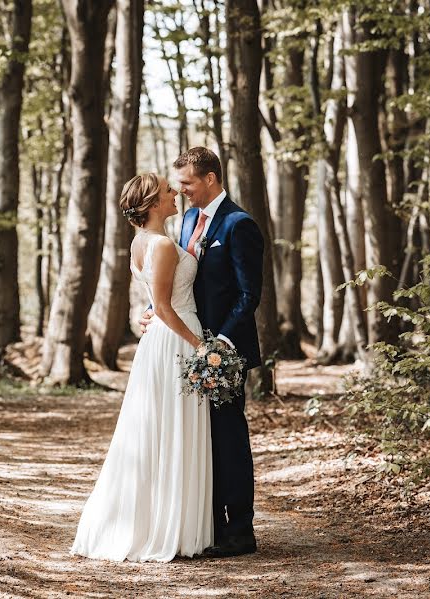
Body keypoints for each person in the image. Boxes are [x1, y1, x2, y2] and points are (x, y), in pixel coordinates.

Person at [70, 173, 213, 562]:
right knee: (169, 427)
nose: (174, 195)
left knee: (158, 426)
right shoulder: (163, 244)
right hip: (177, 340)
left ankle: (160, 522)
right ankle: (165, 529)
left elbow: (154, 301)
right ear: (152, 204)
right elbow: (165, 306)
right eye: (168, 191)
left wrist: (146, 315)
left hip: (162, 340)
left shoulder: (141, 242)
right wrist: (202, 347)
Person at [143, 147, 263, 558]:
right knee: (199, 439)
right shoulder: (188, 220)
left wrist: (219, 346)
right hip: (186, 344)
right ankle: (207, 524)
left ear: (210, 179)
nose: (182, 192)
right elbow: (176, 279)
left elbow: (249, 296)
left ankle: (240, 530)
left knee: (228, 437)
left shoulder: (239, 224)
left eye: (188, 184)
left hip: (222, 350)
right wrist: (150, 312)